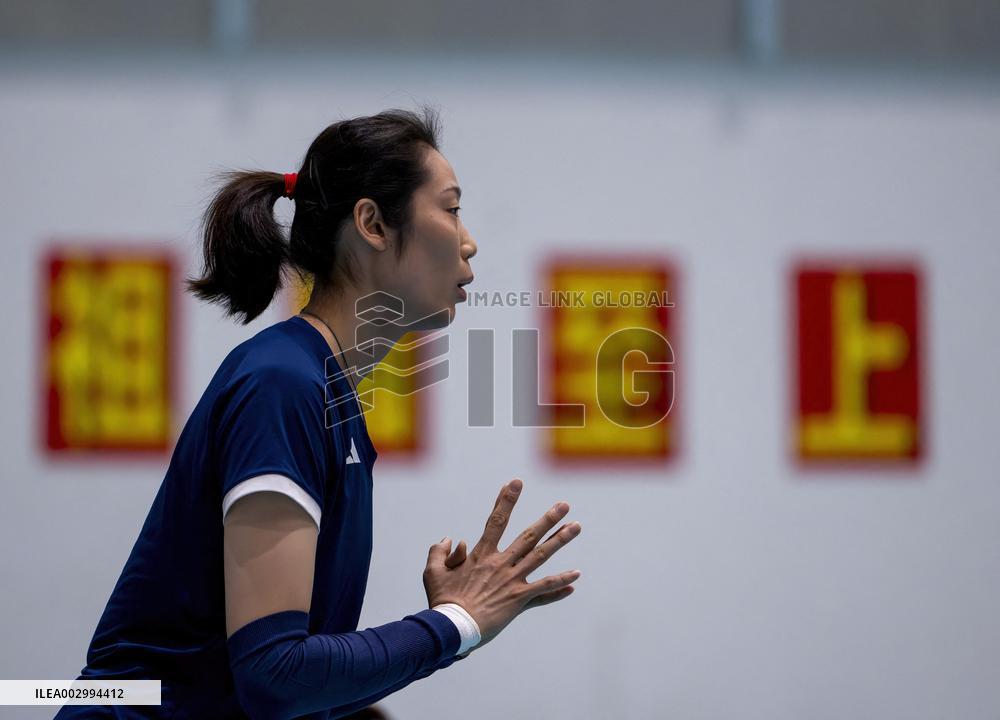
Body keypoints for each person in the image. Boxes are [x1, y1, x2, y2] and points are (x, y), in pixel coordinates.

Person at [55, 107, 583, 719]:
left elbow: (285, 686)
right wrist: (454, 624)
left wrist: (445, 629)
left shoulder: (323, 393)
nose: (469, 240)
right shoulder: (283, 385)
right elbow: (275, 675)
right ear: (373, 224)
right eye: (452, 208)